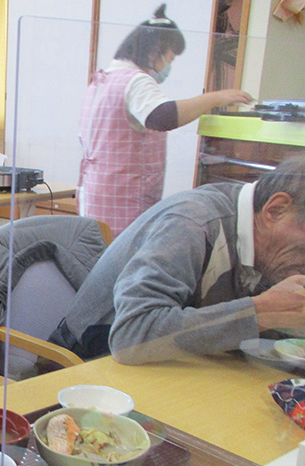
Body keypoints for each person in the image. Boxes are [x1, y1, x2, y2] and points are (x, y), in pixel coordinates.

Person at [50, 154, 305, 365]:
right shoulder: (192, 223)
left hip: (172, 369)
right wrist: (263, 312)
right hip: (86, 364)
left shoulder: (266, 242)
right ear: (276, 210)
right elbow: (132, 335)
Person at [77, 4, 253, 237]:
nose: (168, 66)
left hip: (96, 192)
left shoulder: (103, 80)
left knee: (100, 249)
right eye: (169, 58)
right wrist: (215, 98)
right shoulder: (135, 81)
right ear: (154, 52)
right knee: (124, 253)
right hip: (124, 198)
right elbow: (162, 116)